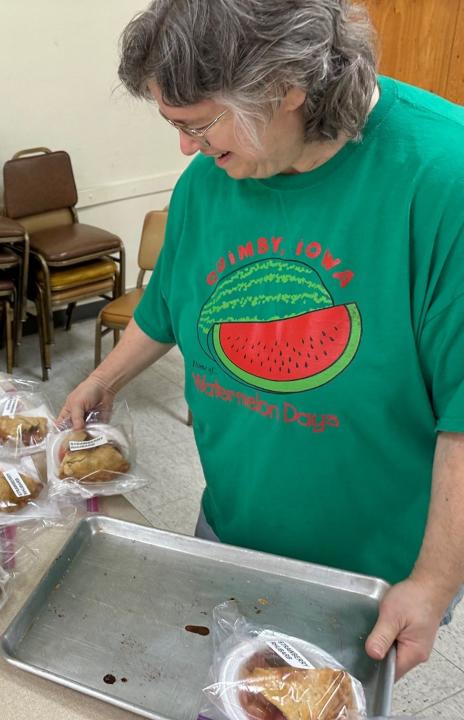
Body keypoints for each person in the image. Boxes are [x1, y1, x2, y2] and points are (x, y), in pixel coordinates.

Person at [58, 0, 464, 680]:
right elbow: (167, 306)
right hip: (226, 531)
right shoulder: (210, 182)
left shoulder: (443, 179)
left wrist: (433, 583)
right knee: (210, 683)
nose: (186, 148)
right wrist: (104, 380)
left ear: (286, 86)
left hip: (366, 576)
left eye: (197, 123)